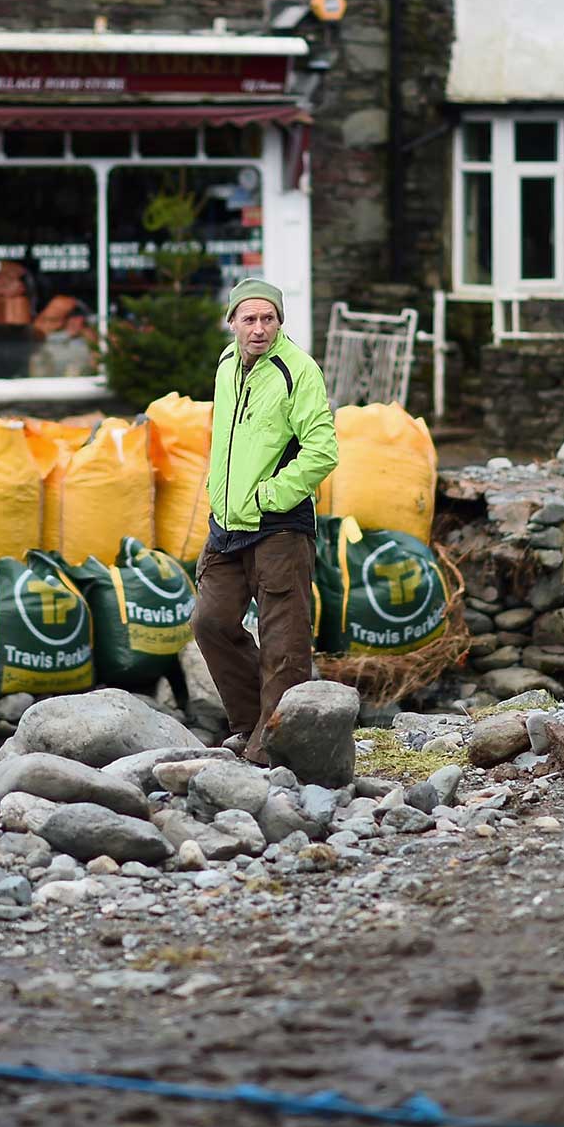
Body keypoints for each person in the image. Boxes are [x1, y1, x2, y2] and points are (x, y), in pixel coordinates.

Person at [190, 278, 339, 764]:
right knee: (210, 622)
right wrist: (219, 495)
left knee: (284, 643)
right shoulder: (227, 364)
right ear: (232, 321)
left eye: (268, 319)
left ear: (280, 322)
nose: (259, 329)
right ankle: (252, 723)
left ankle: (273, 749)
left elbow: (322, 451)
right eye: (249, 319)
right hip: (228, 524)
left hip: (280, 526)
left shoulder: (300, 371)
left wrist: (269, 496)